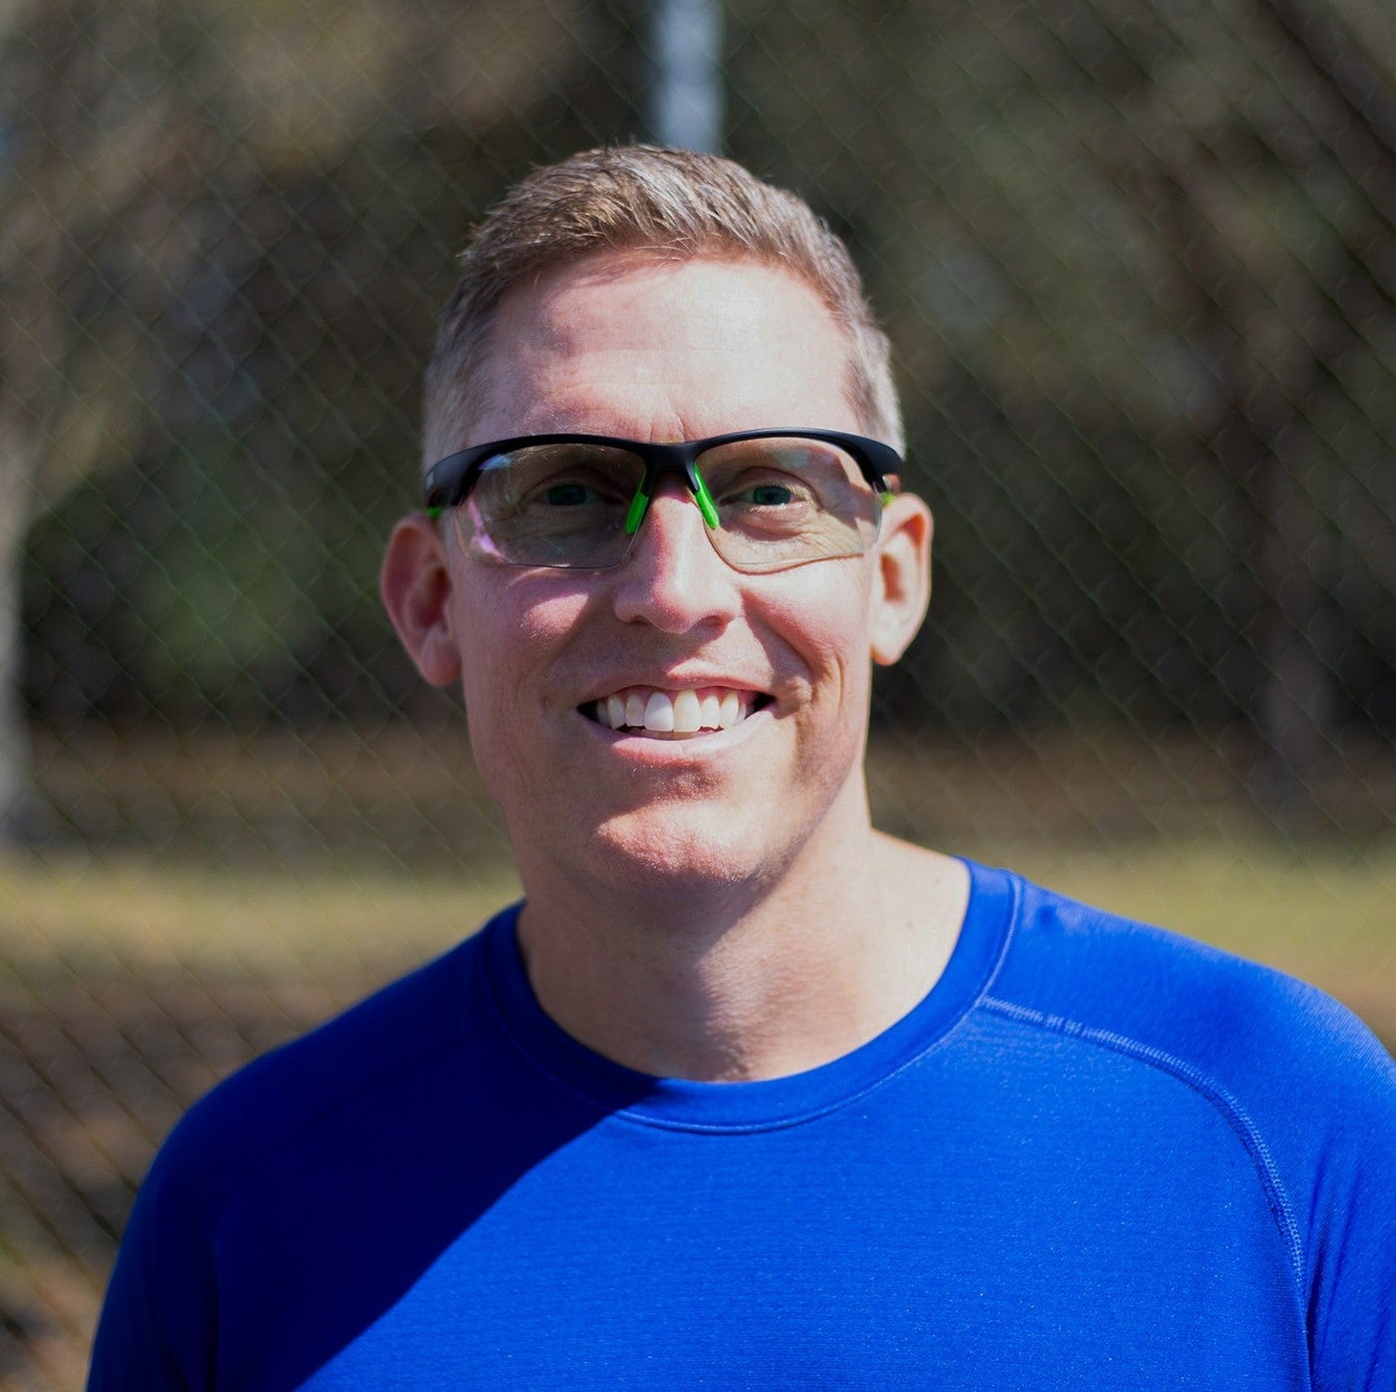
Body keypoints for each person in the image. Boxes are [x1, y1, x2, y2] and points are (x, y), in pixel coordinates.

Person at [88, 145, 1396, 1390]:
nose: (673, 587)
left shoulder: (1279, 1125)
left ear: (890, 579)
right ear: (431, 599)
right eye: (566, 490)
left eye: (769, 488)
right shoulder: (252, 1202)